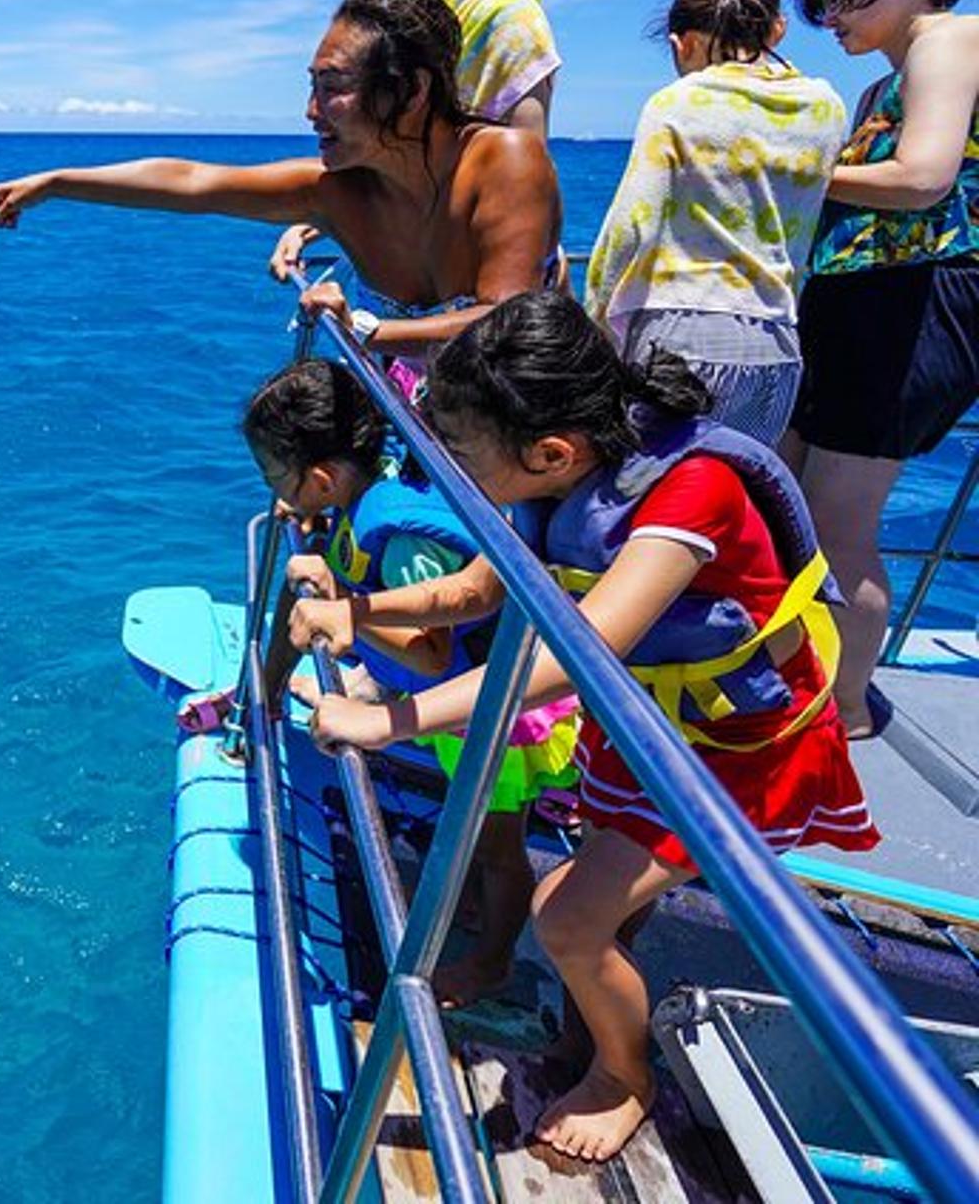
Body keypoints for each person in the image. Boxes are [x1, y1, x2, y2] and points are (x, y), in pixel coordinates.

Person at [293, 293, 878, 1162]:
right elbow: (475, 593)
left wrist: (387, 720)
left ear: (549, 450)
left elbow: (577, 653)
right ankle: (593, 1016)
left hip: (725, 753)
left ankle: (624, 1074)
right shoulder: (567, 473)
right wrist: (358, 607)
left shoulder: (693, 492)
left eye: (463, 456)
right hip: (644, 730)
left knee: (565, 915)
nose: (451, 474)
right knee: (607, 916)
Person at [0, 0, 563, 361]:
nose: (311, 111)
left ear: (412, 90)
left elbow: (507, 319)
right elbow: (194, 183)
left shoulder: (505, 160)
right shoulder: (338, 192)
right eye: (312, 86)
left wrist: (371, 330)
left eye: (334, 87)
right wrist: (56, 183)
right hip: (423, 423)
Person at [235, 359, 579, 1009]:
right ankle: (474, 908)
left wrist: (344, 603)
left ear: (322, 477)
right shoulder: (374, 484)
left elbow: (429, 652)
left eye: (277, 477)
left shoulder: (392, 539)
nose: (274, 493)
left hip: (488, 713)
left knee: (500, 846)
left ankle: (493, 961)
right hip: (461, 702)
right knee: (478, 828)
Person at [780, 0, 979, 737]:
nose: (827, 15)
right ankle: (798, 679)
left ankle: (847, 706)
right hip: (855, 305)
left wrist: (780, 170)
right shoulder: (878, 90)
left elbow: (924, 176)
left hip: (917, 302)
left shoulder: (951, 39)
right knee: (782, 495)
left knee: (839, 523)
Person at [269, 0, 563, 284]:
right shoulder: (407, 30)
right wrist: (314, 221)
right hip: (424, 266)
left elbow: (524, 174)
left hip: (478, 281)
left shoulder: (504, 19)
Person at [587, 0, 849, 443]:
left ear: (680, 44)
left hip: (680, 341)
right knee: (731, 499)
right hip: (778, 345)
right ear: (778, 29)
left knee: (649, 497)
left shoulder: (677, 103)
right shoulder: (826, 107)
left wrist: (596, 319)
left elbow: (631, 225)